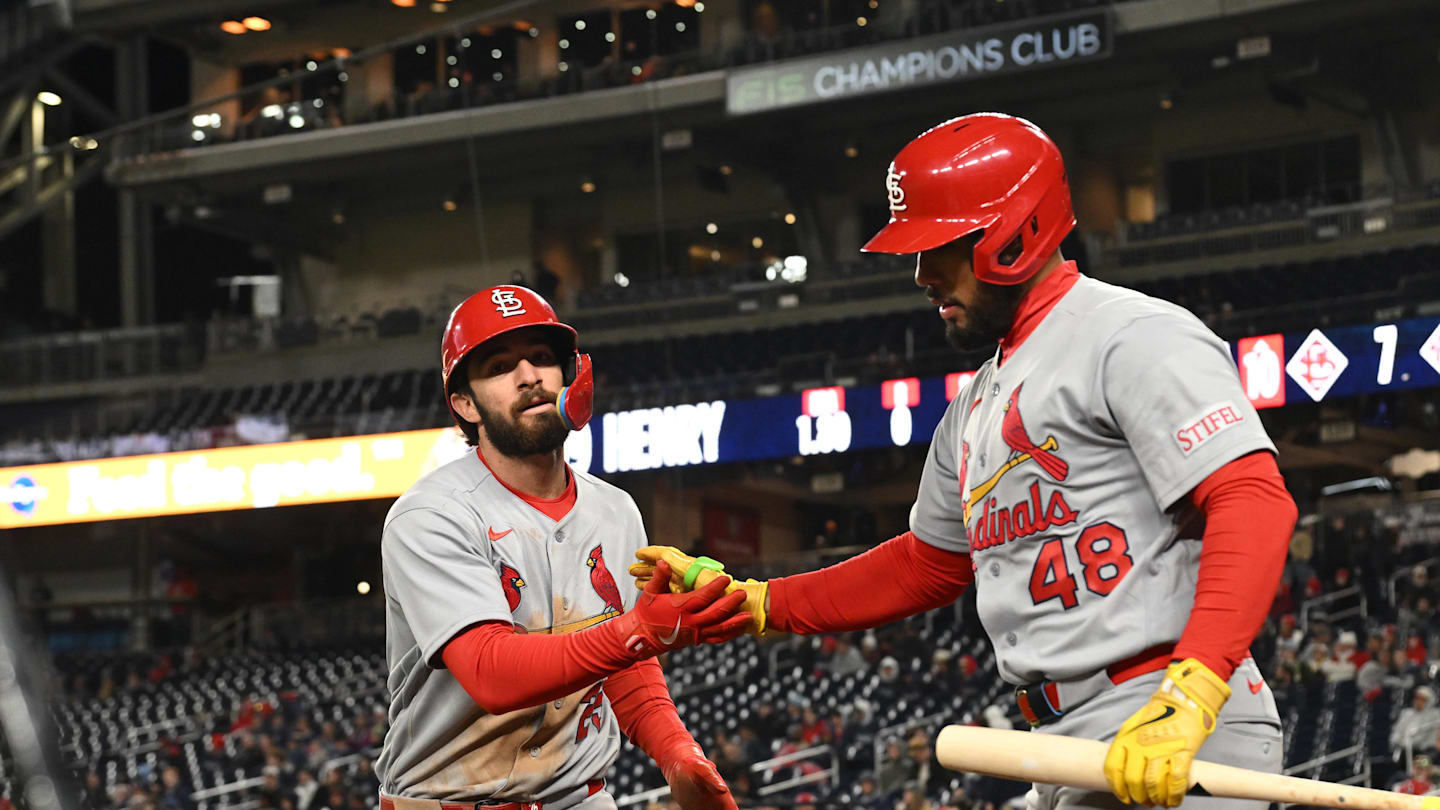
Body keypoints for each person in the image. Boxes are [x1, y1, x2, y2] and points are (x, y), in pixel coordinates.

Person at [632, 114, 1298, 810]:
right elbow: (928, 563)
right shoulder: (978, 399)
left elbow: (1253, 498)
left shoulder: (1131, 334)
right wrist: (758, 602)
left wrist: (1191, 691)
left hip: (1167, 709)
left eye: (941, 247)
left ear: (1015, 233)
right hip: (1063, 737)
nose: (922, 275)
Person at [375, 285, 751, 810]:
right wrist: (634, 630)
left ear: (568, 376)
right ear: (465, 403)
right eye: (500, 366)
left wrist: (676, 752)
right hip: (447, 800)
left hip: (579, 798)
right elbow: (491, 672)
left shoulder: (615, 510)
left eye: (544, 359)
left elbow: (627, 662)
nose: (530, 376)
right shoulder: (432, 515)